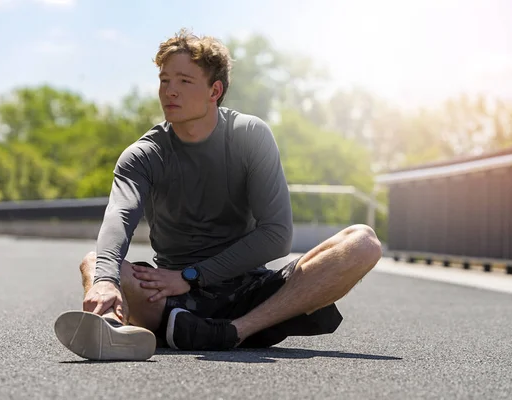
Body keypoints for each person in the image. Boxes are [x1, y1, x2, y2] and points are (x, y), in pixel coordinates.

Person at [54, 28, 383, 361]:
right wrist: (107, 280)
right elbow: (120, 215)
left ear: (215, 90)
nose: (170, 91)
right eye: (164, 80)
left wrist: (192, 277)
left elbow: (277, 235)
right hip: (173, 300)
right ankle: (111, 328)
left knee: (363, 243)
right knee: (95, 263)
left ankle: (235, 332)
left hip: (250, 294)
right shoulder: (144, 154)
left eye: (184, 81)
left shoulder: (249, 136)